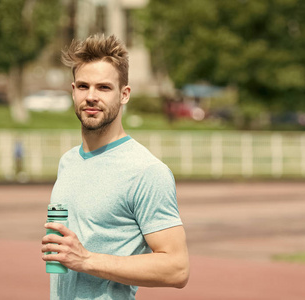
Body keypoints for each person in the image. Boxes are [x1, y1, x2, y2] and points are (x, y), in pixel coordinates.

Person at [41, 34, 189, 300]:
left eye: (104, 88)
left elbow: (177, 268)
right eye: (83, 86)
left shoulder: (146, 171)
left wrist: (85, 259)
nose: (91, 96)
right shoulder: (68, 161)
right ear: (73, 90)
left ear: (124, 94)